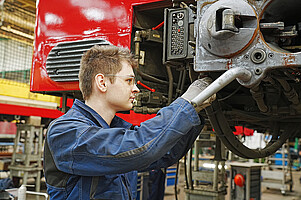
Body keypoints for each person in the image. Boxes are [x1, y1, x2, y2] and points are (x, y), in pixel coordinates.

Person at [43, 45, 214, 200]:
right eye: (128, 80)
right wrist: (185, 105)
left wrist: (196, 111)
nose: (136, 88)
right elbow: (141, 146)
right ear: (102, 83)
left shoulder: (116, 130)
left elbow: (163, 154)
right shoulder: (65, 132)